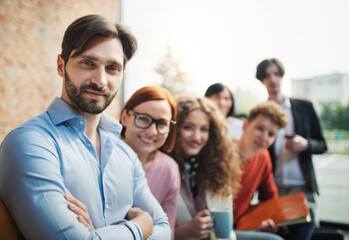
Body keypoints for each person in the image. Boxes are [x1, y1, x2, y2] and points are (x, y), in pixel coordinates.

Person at [0, 15, 171, 239]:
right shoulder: (29, 143)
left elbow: (165, 229)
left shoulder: (126, 155)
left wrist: (102, 234)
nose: (100, 80)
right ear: (61, 66)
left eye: (112, 68)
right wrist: (141, 225)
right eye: (88, 63)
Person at [171, 96, 283, 240]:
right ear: (245, 125)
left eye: (204, 129)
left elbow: (269, 197)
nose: (196, 137)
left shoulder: (216, 160)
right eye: (188, 127)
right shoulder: (167, 166)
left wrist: (265, 219)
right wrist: (187, 230)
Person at [255, 58, 327, 203]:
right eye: (267, 75)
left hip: (303, 187)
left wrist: (306, 144)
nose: (272, 79)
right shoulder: (259, 113)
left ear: (282, 76)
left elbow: (323, 145)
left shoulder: (305, 107)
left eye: (276, 73)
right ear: (262, 80)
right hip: (272, 187)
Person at [120, 86, 181, 238]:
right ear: (124, 117)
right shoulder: (100, 155)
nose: (152, 131)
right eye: (143, 119)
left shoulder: (169, 169)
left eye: (161, 124)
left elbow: (168, 233)